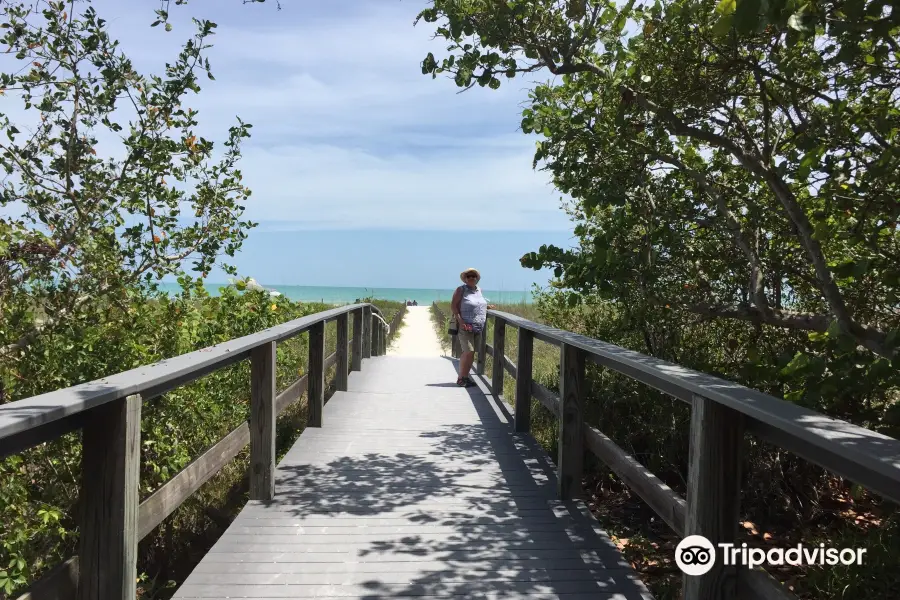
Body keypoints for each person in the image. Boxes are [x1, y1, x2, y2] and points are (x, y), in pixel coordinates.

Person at [450, 267, 495, 386]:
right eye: (468, 276)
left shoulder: (478, 290)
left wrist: (487, 307)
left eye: (473, 276)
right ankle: (461, 378)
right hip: (465, 325)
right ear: (465, 279)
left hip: (477, 326)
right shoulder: (460, 290)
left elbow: (478, 303)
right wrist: (460, 320)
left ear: (477, 278)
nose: (471, 278)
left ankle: (466, 377)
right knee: (468, 351)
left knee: (472, 352)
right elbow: (453, 306)